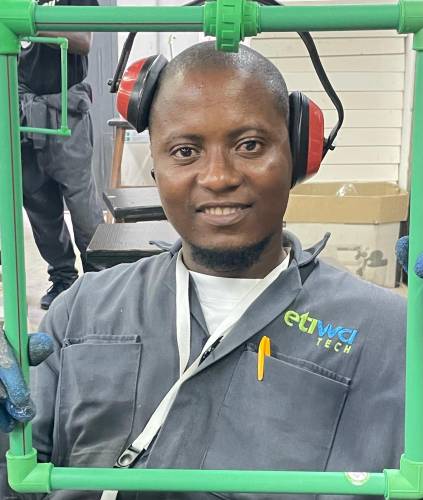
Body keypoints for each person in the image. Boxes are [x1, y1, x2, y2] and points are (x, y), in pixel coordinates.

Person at [0, 41, 417, 500]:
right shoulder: (80, 311)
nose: (219, 177)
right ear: (156, 171)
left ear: (300, 156)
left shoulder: (388, 337)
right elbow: (17, 480)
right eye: (185, 151)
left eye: (250, 145)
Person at [19, 0, 104, 311]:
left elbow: (83, 41)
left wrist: (26, 23)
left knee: (81, 202)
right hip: (23, 107)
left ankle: (99, 278)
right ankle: (63, 277)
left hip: (65, 108)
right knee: (38, 200)